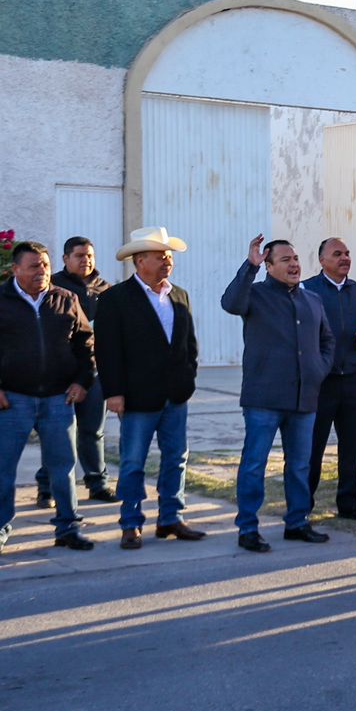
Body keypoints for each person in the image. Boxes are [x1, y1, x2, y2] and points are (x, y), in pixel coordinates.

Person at [222, 236, 335, 552]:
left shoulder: (312, 300)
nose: (294, 264)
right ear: (268, 266)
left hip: (304, 398)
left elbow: (327, 341)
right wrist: (249, 267)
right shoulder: (254, 295)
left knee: (300, 465)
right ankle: (247, 529)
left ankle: (297, 523)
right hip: (264, 398)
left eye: (295, 258)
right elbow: (230, 303)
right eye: (285, 260)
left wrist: (318, 369)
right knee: (254, 465)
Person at [96, 227, 203, 548]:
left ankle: (171, 518)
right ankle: (131, 522)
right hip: (136, 397)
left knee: (176, 458)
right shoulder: (115, 299)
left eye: (168, 256)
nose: (167, 261)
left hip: (176, 395)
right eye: (160, 256)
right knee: (132, 462)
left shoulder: (179, 294)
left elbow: (189, 345)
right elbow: (107, 350)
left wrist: (188, 376)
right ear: (139, 260)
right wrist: (113, 392)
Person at [0, 241, 95, 551]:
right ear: (15, 270)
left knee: (63, 467)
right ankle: (1, 527)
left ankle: (67, 527)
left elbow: (85, 344)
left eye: (44, 264)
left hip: (58, 398)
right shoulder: (2, 300)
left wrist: (82, 381)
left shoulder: (66, 299)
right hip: (13, 399)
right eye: (33, 266)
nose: (41, 270)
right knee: (3, 467)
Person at [302, 238, 356, 521]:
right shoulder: (306, 290)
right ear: (322, 260)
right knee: (312, 446)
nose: (344, 258)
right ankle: (302, 507)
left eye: (347, 253)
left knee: (351, 446)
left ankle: (349, 504)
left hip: (353, 379)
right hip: (320, 382)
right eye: (337, 254)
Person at [34, 236, 112, 507]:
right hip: (62, 374)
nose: (86, 260)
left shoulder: (106, 289)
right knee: (56, 432)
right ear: (66, 259)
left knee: (93, 431)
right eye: (79, 255)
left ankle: (97, 482)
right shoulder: (53, 288)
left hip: (95, 371)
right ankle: (47, 487)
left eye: (89, 255)